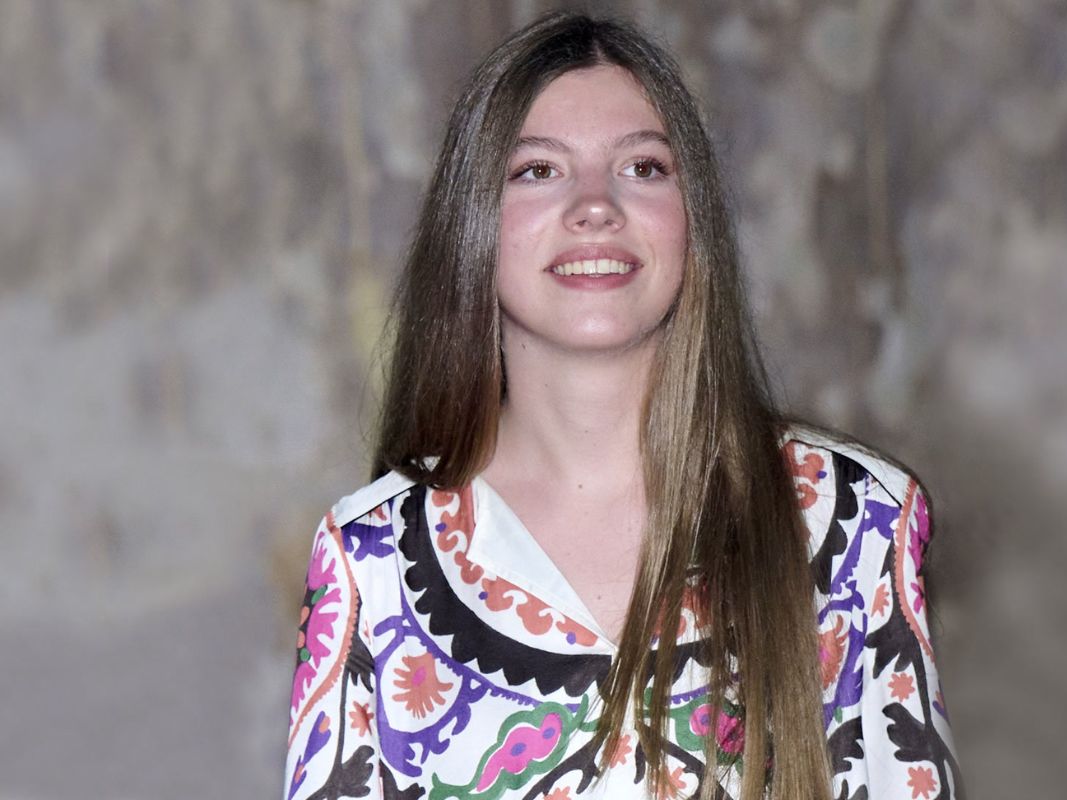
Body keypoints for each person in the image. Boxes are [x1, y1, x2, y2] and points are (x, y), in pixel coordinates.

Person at [284, 12, 959, 800]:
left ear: (693, 220)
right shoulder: (370, 560)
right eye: (538, 169)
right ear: (473, 223)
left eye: (642, 167)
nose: (595, 205)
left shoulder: (857, 524)